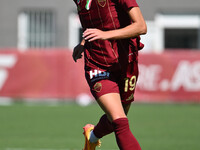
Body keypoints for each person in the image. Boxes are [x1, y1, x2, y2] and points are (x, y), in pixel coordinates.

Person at [72, 0, 147, 149]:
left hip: (126, 62)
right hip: (97, 63)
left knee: (118, 118)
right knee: (120, 121)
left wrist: (106, 35)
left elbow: (141, 26)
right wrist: (83, 43)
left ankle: (92, 136)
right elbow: (93, 22)